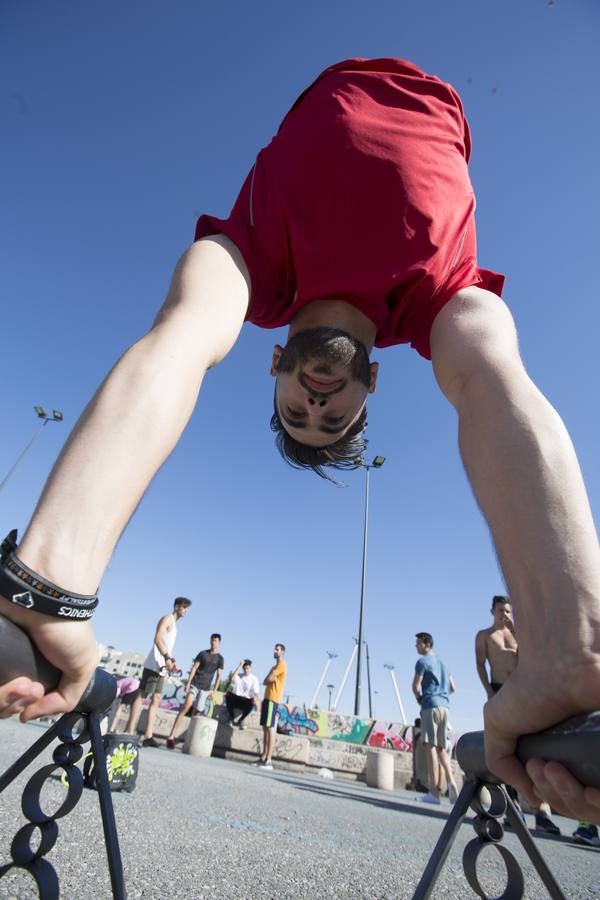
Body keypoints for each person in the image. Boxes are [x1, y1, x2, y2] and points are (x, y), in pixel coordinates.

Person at [0, 56, 599, 823]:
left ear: (274, 364)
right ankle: (580, 650)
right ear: (367, 384)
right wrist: (568, 664)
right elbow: (492, 387)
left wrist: (39, 592)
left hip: (333, 81)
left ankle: (36, 581)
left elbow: (181, 339)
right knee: (491, 364)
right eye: (332, 417)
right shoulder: (437, 299)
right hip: (441, 110)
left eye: (300, 414)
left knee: (184, 325)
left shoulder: (254, 265)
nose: (318, 405)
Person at [475, 596, 561, 834]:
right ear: (492, 610)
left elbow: (532, 659)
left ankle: (543, 813)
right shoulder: (485, 635)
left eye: (509, 611)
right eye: (501, 610)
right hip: (500, 689)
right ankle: (513, 808)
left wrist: (519, 634)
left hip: (524, 691)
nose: (505, 614)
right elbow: (480, 663)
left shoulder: (517, 635)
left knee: (535, 748)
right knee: (506, 750)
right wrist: (489, 691)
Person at [125, 597, 191, 747]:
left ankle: (148, 736)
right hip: (154, 664)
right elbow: (157, 638)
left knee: (155, 700)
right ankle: (129, 732)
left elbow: (166, 645)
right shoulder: (167, 619)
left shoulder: (175, 626)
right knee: (142, 696)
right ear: (176, 607)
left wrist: (172, 661)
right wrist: (166, 657)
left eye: (187, 608)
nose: (186, 610)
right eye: (184, 607)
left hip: (162, 668)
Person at [411, 632, 459, 805]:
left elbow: (415, 686)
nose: (416, 646)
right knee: (441, 748)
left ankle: (434, 793)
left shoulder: (423, 662)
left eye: (418, 643)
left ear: (426, 644)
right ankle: (451, 781)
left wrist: (420, 699)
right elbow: (453, 686)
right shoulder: (444, 663)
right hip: (445, 706)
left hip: (430, 705)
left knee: (430, 747)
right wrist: (442, 694)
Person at [166, 633, 224, 749]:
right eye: (212, 640)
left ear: (219, 643)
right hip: (195, 684)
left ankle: (188, 740)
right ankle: (171, 736)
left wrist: (214, 690)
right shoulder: (203, 654)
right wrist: (188, 683)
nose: (213, 642)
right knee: (186, 706)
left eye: (216, 641)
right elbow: (194, 668)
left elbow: (219, 676)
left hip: (206, 689)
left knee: (196, 714)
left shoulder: (220, 659)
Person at [255, 644, 287, 769]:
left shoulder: (282, 665)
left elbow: (270, 678)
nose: (274, 651)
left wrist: (269, 678)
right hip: (267, 698)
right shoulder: (274, 666)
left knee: (270, 727)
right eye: (274, 649)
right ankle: (263, 757)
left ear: (282, 652)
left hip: (273, 699)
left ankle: (269, 760)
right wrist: (269, 678)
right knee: (265, 728)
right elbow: (265, 680)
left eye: (277, 649)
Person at [225, 659, 260, 728]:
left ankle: (241, 720)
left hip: (246, 701)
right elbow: (232, 679)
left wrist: (256, 705)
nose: (246, 670)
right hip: (237, 699)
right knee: (228, 695)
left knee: (252, 701)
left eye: (247, 668)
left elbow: (256, 694)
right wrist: (239, 666)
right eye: (244, 669)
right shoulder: (239, 676)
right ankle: (231, 718)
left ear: (250, 668)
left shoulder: (254, 679)